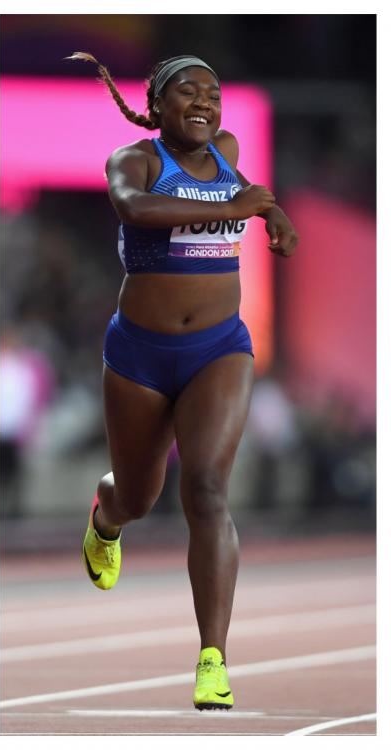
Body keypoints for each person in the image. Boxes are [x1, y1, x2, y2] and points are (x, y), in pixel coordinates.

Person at [68, 52, 297, 709]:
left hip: (219, 348)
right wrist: (236, 203)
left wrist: (273, 216)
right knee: (139, 496)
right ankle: (107, 516)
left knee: (205, 488)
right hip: (139, 355)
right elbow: (134, 208)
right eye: (188, 91)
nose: (204, 101)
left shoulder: (225, 150)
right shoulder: (133, 160)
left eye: (214, 92)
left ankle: (212, 659)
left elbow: (251, 195)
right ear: (158, 105)